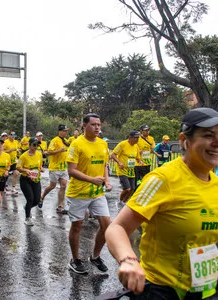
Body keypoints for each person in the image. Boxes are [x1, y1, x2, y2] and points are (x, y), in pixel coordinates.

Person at [105, 107, 218, 300]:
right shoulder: (163, 179)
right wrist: (129, 260)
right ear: (184, 140)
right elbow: (117, 228)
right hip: (163, 291)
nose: (217, 144)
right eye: (208, 135)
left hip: (207, 289)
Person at [66, 113, 112, 274]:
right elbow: (71, 171)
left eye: (99, 124)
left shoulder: (102, 144)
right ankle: (75, 259)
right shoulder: (76, 145)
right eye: (93, 124)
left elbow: (105, 165)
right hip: (78, 193)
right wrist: (92, 179)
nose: (97, 127)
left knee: (107, 226)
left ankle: (95, 256)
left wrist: (106, 181)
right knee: (77, 225)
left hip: (97, 193)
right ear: (84, 126)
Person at [40, 124, 70, 214]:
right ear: (60, 131)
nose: (66, 132)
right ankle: (42, 197)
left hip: (63, 167)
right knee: (52, 186)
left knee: (63, 186)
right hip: (55, 167)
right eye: (64, 131)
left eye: (66, 131)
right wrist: (59, 150)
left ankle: (60, 206)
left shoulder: (65, 141)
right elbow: (49, 152)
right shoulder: (55, 140)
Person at [111, 130, 142, 208]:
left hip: (131, 171)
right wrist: (119, 162)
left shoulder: (136, 146)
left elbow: (137, 157)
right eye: (136, 138)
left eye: (138, 138)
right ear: (131, 138)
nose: (137, 140)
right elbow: (113, 155)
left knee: (132, 189)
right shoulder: (122, 144)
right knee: (127, 189)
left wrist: (140, 161)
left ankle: (123, 202)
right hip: (122, 170)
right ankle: (120, 201)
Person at [17, 137, 44, 226]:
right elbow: (18, 167)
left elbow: (39, 166)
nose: (36, 147)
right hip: (26, 180)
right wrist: (25, 170)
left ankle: (27, 208)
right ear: (29, 145)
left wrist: (41, 169)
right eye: (34, 145)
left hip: (36, 180)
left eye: (37, 145)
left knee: (37, 200)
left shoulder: (39, 154)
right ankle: (27, 218)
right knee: (30, 199)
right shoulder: (24, 156)